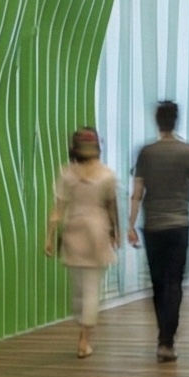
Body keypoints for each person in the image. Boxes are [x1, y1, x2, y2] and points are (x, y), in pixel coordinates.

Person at [128, 100, 189, 363]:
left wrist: (131, 225)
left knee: (158, 283)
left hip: (153, 226)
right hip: (179, 225)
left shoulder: (145, 152)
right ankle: (167, 340)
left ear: (157, 121)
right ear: (176, 120)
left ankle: (164, 337)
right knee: (175, 283)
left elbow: (137, 193)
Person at [45, 127, 120, 358]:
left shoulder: (67, 174)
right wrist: (115, 231)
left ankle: (83, 330)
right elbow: (111, 205)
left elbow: (57, 211)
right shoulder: (106, 175)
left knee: (78, 288)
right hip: (97, 231)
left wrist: (48, 237)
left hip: (73, 231)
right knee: (91, 287)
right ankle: (84, 339)